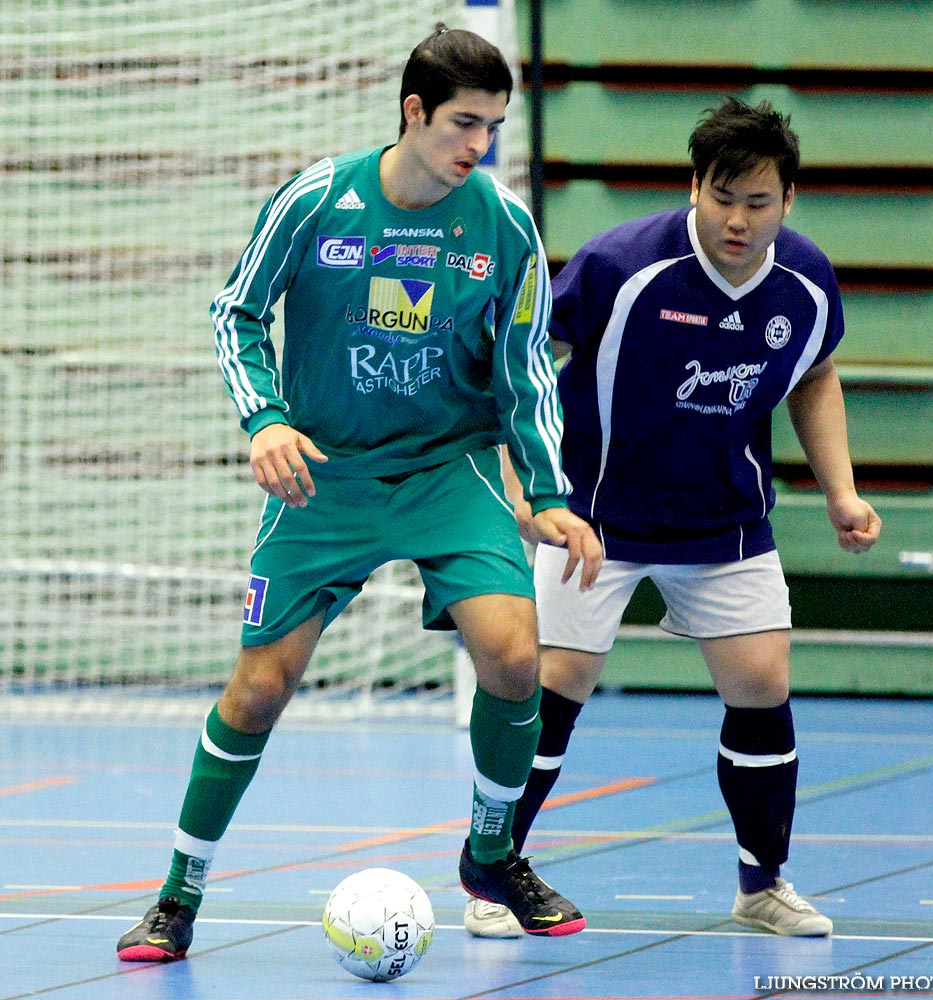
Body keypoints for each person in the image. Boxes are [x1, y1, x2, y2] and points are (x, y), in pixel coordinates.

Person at [116, 24, 603, 962]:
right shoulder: (316, 199)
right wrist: (264, 419)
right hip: (324, 476)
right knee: (260, 691)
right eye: (465, 123)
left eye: (495, 127)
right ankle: (177, 896)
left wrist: (545, 490)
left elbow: (524, 369)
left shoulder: (502, 227)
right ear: (414, 112)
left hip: (445, 470)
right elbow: (237, 310)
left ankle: (492, 854)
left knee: (511, 656)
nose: (481, 147)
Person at [464, 96, 881, 940]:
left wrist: (840, 489)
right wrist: (522, 483)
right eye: (721, 196)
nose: (737, 218)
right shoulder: (621, 264)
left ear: (787, 202)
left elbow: (813, 376)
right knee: (555, 689)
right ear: (694, 187)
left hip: (723, 523)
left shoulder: (803, 282)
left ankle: (761, 884)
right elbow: (524, 358)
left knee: (761, 685)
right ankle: (490, 876)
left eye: (757, 202)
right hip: (593, 517)